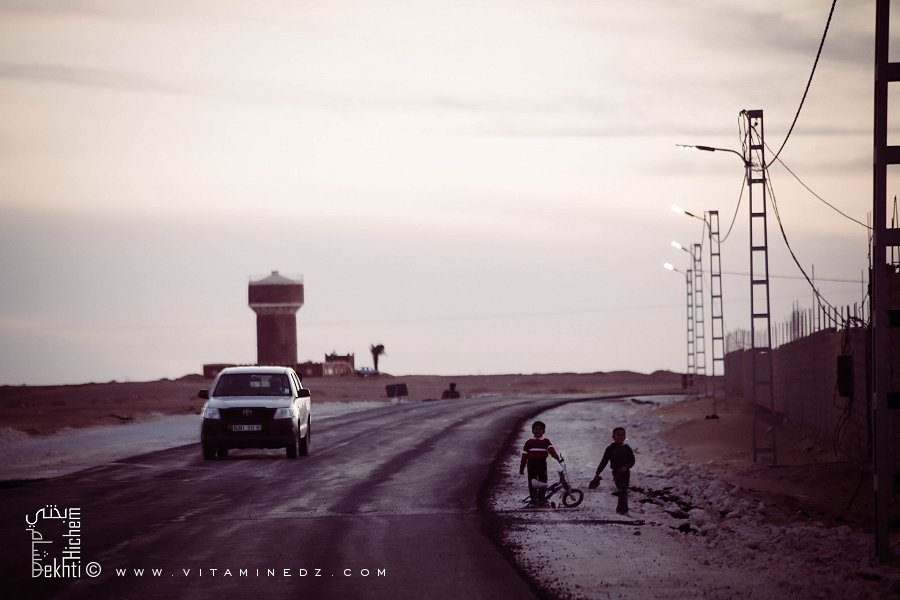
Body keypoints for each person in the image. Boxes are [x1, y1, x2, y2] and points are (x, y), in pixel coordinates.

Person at [591, 427, 635, 515]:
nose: (620, 437)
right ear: (613, 437)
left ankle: (623, 510)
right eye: (618, 435)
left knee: (624, 490)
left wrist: (626, 467)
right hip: (616, 472)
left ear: (625, 437)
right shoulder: (610, 449)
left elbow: (632, 460)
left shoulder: (627, 448)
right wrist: (597, 473)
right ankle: (621, 510)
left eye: (623, 435)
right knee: (621, 489)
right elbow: (604, 461)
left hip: (626, 472)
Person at [519, 420, 561, 506]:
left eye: (540, 429)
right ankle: (533, 498)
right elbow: (524, 456)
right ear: (532, 431)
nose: (538, 431)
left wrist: (557, 457)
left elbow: (551, 450)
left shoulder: (546, 441)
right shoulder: (528, 442)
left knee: (543, 481)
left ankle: (542, 498)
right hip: (531, 465)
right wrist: (521, 467)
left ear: (544, 431)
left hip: (542, 464)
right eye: (535, 429)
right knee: (532, 482)